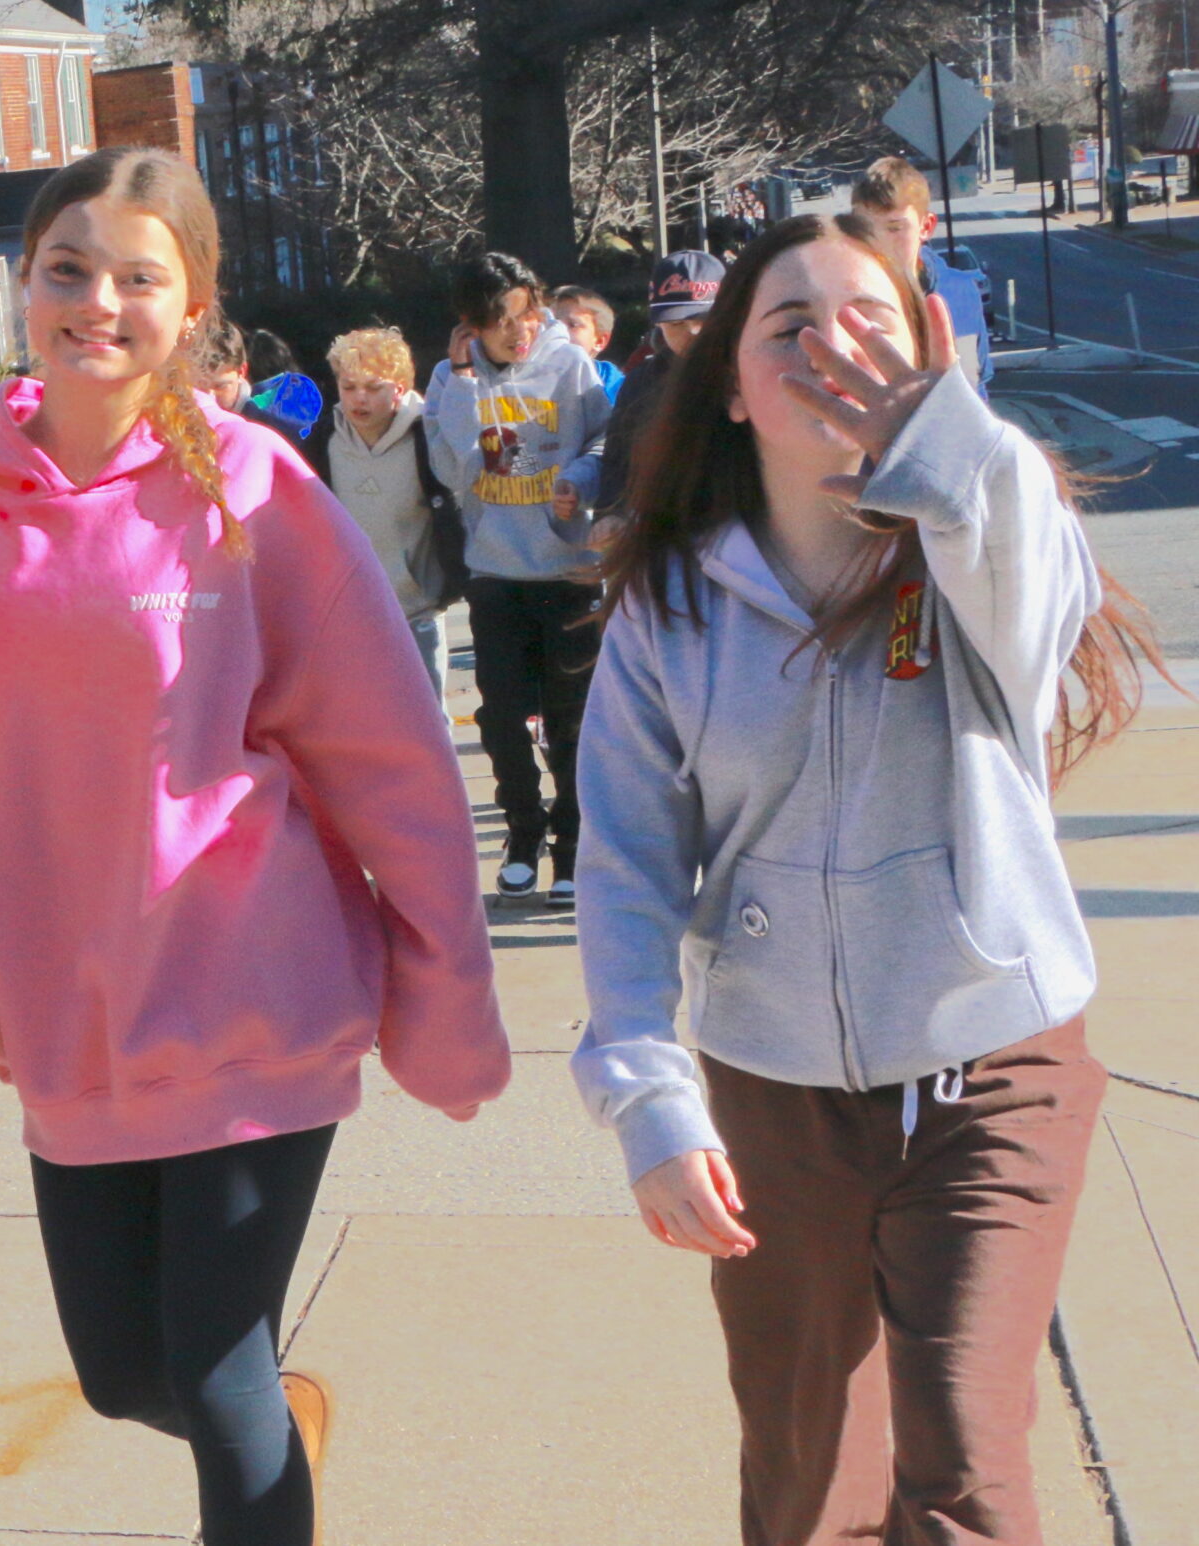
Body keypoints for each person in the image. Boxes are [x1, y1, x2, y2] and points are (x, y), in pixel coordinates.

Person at [0, 146, 510, 1546]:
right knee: (123, 1377)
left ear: (193, 299)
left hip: (251, 995)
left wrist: (444, 989)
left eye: (138, 275)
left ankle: (261, 1445)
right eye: (67, 270)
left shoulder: (258, 492)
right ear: (23, 284)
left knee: (214, 1379)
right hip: (68, 1020)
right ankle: (283, 1431)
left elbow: (391, 759)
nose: (99, 301)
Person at [573, 212, 1158, 1544]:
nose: (831, 349)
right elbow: (624, 863)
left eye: (871, 323)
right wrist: (647, 1096)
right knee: (808, 1474)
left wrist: (952, 446)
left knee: (961, 1461)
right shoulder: (672, 601)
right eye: (789, 327)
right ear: (727, 383)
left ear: (930, 362)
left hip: (992, 1067)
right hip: (775, 1090)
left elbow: (1026, 576)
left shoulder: (975, 545)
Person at [423, 251, 611, 907]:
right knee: (501, 719)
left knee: (572, 722)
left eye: (527, 316)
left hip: (568, 570)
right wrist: (468, 382)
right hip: (496, 574)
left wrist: (579, 479)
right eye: (503, 322)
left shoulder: (569, 363)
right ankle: (522, 834)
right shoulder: (451, 380)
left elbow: (604, 441)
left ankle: (572, 845)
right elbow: (455, 472)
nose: (521, 332)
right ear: (472, 325)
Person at [323, 326, 455, 705]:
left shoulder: (428, 437)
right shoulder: (323, 442)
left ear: (399, 388)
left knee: (428, 719)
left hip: (417, 610)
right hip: (349, 613)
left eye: (373, 387)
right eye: (348, 387)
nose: (358, 398)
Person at [592, 250, 725, 531]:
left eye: (704, 318)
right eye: (677, 323)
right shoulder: (641, 383)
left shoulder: (752, 372)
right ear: (660, 325)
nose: (694, 332)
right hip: (666, 535)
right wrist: (611, 516)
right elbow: (618, 460)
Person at [851, 157, 993, 394]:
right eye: (864, 227)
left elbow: (974, 384)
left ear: (925, 227)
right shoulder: (842, 296)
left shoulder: (959, 292)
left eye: (895, 228)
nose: (879, 241)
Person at [549, 286, 624, 401]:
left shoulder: (621, 392)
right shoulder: (522, 382)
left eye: (572, 325)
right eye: (550, 323)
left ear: (599, 341)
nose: (557, 331)